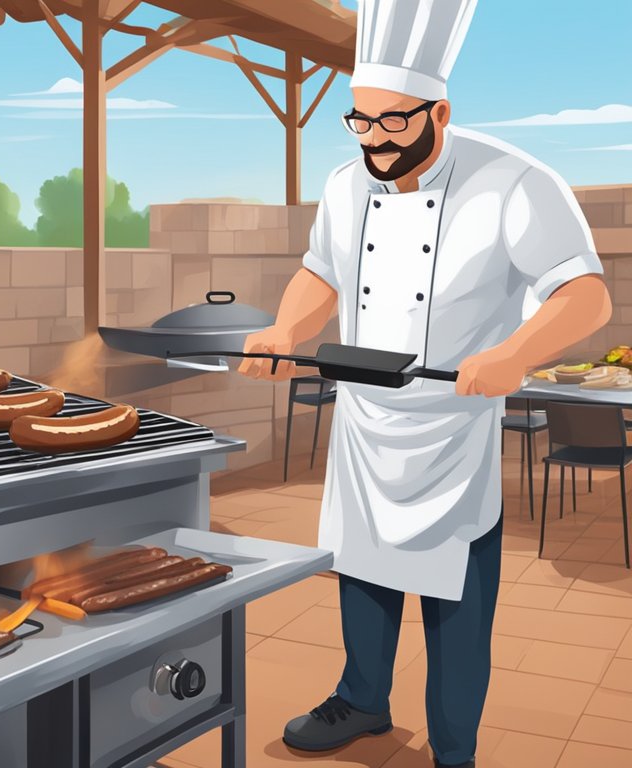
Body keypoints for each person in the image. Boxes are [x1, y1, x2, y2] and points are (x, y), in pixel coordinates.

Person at [239, 1, 612, 766]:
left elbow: (586, 295)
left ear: (439, 110)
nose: (375, 141)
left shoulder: (515, 184)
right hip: (366, 421)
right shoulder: (346, 185)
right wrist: (287, 329)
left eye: (394, 124)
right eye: (361, 123)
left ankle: (453, 746)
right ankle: (363, 699)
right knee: (362, 569)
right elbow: (321, 272)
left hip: (454, 430)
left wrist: (515, 352)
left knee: (455, 601)